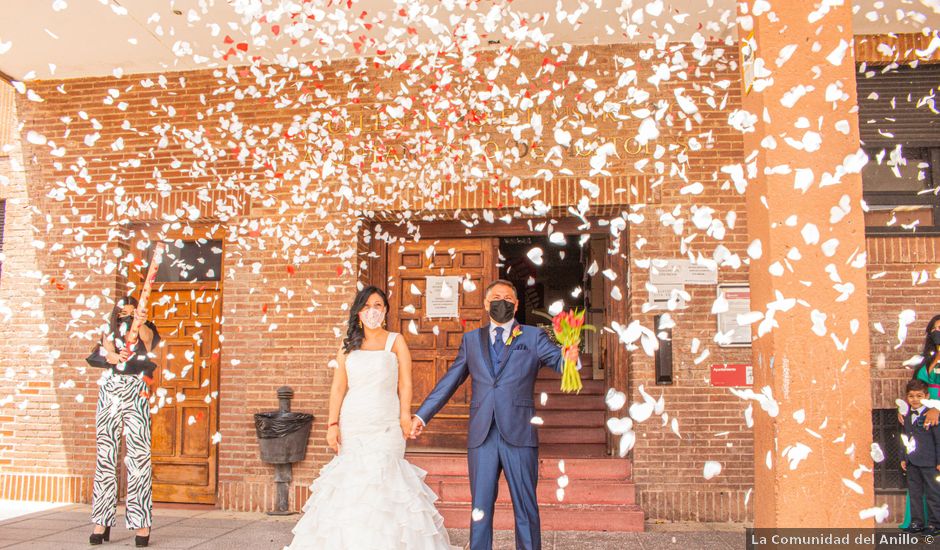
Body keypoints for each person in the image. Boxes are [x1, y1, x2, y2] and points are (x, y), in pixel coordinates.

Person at [410, 279, 578, 550]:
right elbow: (450, 381)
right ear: (486, 304)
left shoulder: (533, 337)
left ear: (517, 304)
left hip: (520, 433)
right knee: (480, 507)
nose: (503, 302)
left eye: (509, 298)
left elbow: (561, 363)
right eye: (497, 297)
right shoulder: (471, 340)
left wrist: (571, 359)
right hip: (482, 434)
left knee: (526, 507)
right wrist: (421, 416)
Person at [286, 286, 457, 550]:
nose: (372, 311)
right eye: (366, 306)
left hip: (386, 423)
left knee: (386, 481)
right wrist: (332, 425)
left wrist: (404, 416)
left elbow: (405, 384)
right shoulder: (347, 347)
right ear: (358, 312)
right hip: (354, 422)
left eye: (378, 305)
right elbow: (339, 388)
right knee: (352, 484)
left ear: (385, 310)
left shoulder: (395, 341)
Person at [90, 295, 160, 547]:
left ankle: (141, 522)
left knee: (139, 454)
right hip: (109, 388)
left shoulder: (146, 327)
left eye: (131, 312)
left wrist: (139, 322)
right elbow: (104, 350)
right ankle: (101, 519)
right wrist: (110, 355)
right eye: (123, 313)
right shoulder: (108, 329)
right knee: (106, 453)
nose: (126, 316)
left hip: (136, 388)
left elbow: (149, 343)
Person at [900, 314, 940, 530]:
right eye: (934, 329)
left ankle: (936, 521)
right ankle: (918, 520)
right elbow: (915, 388)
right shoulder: (925, 360)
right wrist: (906, 409)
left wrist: (936, 409)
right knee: (916, 479)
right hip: (921, 414)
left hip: (936, 416)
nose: (937, 332)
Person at [900, 378, 940, 536]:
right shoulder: (906, 415)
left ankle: (935, 524)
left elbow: (938, 440)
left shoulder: (932, 415)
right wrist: (903, 457)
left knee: (933, 493)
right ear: (906, 398)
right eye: (911, 396)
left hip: (930, 462)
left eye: (919, 396)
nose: (915, 399)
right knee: (915, 493)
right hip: (912, 461)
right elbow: (904, 438)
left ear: (927, 396)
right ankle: (917, 522)